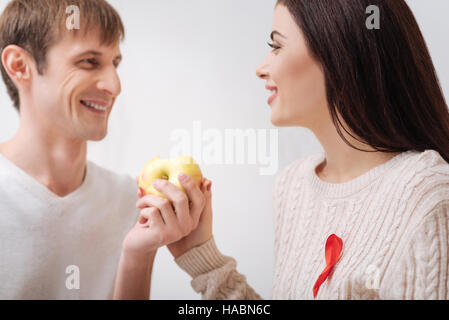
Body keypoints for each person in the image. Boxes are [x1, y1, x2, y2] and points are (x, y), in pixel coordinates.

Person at [140, 0, 449, 299]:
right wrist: (201, 255)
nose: (261, 68)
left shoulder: (427, 196)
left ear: (338, 51)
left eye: (276, 46)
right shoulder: (294, 185)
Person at [0, 0, 209, 299]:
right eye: (89, 61)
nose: (114, 84)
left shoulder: (130, 199)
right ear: (20, 66)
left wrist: (139, 254)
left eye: (115, 63)